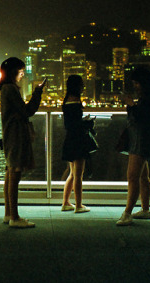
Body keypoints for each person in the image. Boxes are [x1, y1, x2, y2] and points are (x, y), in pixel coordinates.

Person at [0, 57, 45, 228]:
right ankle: (15, 217)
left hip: (10, 135)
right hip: (16, 136)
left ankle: (8, 214)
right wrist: (37, 93)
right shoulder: (10, 89)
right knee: (15, 175)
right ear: (13, 72)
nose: (22, 75)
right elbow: (27, 111)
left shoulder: (5, 88)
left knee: (10, 173)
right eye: (20, 72)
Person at [116, 67, 150, 226]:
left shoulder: (148, 99)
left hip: (140, 140)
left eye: (136, 83)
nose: (135, 86)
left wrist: (131, 104)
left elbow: (142, 117)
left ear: (143, 83)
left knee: (132, 176)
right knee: (143, 176)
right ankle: (145, 209)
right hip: (143, 139)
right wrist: (132, 105)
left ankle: (127, 213)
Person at [61, 75, 95, 213]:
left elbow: (70, 123)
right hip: (78, 140)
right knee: (78, 175)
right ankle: (79, 205)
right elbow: (76, 123)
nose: (83, 87)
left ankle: (66, 202)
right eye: (81, 85)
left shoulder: (66, 100)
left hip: (70, 139)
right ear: (77, 86)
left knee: (72, 173)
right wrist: (88, 122)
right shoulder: (75, 101)